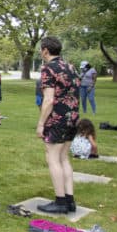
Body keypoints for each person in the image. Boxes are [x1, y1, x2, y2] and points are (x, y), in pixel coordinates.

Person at [35, 36, 81, 214]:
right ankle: (70, 200)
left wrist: (40, 123)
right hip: (73, 116)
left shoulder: (48, 69)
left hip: (57, 118)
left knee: (52, 157)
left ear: (46, 50)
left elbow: (48, 99)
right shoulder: (70, 66)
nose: (41, 52)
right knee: (64, 158)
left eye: (41, 49)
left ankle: (60, 201)